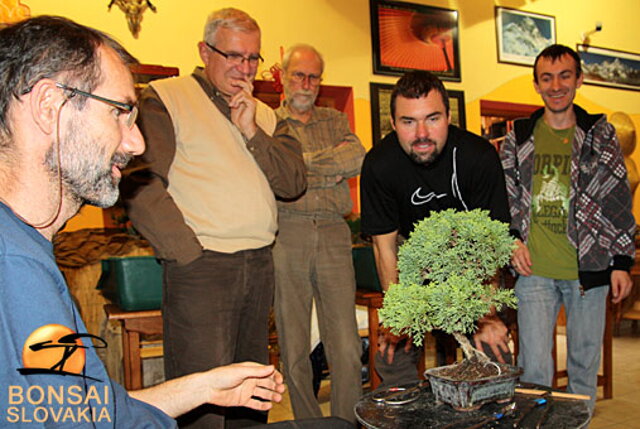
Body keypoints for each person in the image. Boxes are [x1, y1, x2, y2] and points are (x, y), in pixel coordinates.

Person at [0, 15, 285, 428]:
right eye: (119, 112)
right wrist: (189, 255)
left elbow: (85, 408)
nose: (136, 143)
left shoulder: (27, 252)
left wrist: (201, 388)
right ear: (49, 107)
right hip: (202, 263)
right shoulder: (16, 267)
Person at [123, 8, 306, 428]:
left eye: (253, 59)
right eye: (233, 56)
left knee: (251, 392)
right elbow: (139, 183)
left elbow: (293, 181)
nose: (244, 69)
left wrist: (251, 132)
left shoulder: (263, 112)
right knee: (201, 398)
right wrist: (187, 253)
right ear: (205, 51)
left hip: (258, 264)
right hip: (202, 267)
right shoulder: (166, 96)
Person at [500, 44, 635, 414]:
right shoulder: (519, 137)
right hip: (534, 272)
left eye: (564, 76)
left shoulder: (600, 135)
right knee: (534, 371)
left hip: (589, 272)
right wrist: (511, 240)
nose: (556, 85)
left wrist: (621, 261)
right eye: (547, 78)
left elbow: (617, 198)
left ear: (578, 79)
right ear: (536, 84)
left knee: (583, 367)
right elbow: (506, 195)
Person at [360, 70, 512, 388]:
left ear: (448, 116)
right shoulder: (379, 164)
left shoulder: (479, 157)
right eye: (408, 122)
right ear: (392, 122)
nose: (422, 133)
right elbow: (385, 247)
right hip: (409, 263)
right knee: (391, 356)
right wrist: (399, 314)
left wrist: (487, 315)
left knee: (493, 350)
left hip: (469, 262)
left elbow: (491, 244)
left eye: (433, 118)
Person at [272, 44, 365, 423]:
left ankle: (346, 421)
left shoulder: (335, 120)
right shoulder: (267, 122)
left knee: (344, 344)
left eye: (313, 76)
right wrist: (328, 167)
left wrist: (299, 166)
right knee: (293, 346)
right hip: (286, 232)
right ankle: (310, 422)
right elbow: (273, 173)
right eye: (298, 74)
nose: (306, 83)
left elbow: (357, 158)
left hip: (333, 232)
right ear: (282, 75)